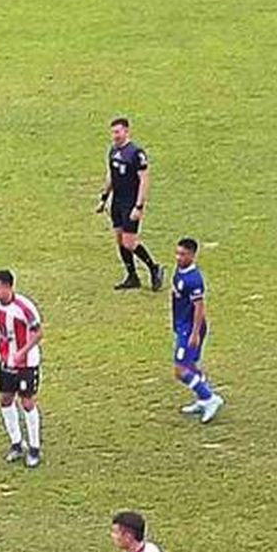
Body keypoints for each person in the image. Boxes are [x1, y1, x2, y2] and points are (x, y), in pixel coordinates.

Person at [0, 270, 43, 468]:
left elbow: (38, 332)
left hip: (26, 364)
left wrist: (22, 352)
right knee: (5, 399)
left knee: (26, 402)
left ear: (9, 287)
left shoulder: (25, 307)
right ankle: (17, 443)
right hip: (4, 360)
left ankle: (34, 448)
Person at [96, 118, 163, 292]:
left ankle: (154, 268)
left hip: (131, 202)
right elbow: (111, 175)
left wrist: (139, 206)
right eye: (113, 132)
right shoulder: (113, 151)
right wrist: (104, 197)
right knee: (120, 240)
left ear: (126, 131)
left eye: (118, 132)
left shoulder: (136, 153)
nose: (115, 136)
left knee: (129, 242)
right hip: (117, 201)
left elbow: (144, 180)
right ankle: (132, 276)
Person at [170, 238, 224, 422]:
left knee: (180, 369)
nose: (178, 257)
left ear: (193, 255)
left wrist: (194, 333)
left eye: (183, 254)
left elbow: (200, 307)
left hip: (191, 328)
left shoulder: (194, 280)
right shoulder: (180, 270)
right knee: (190, 364)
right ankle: (203, 398)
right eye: (177, 253)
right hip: (182, 326)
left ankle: (210, 398)